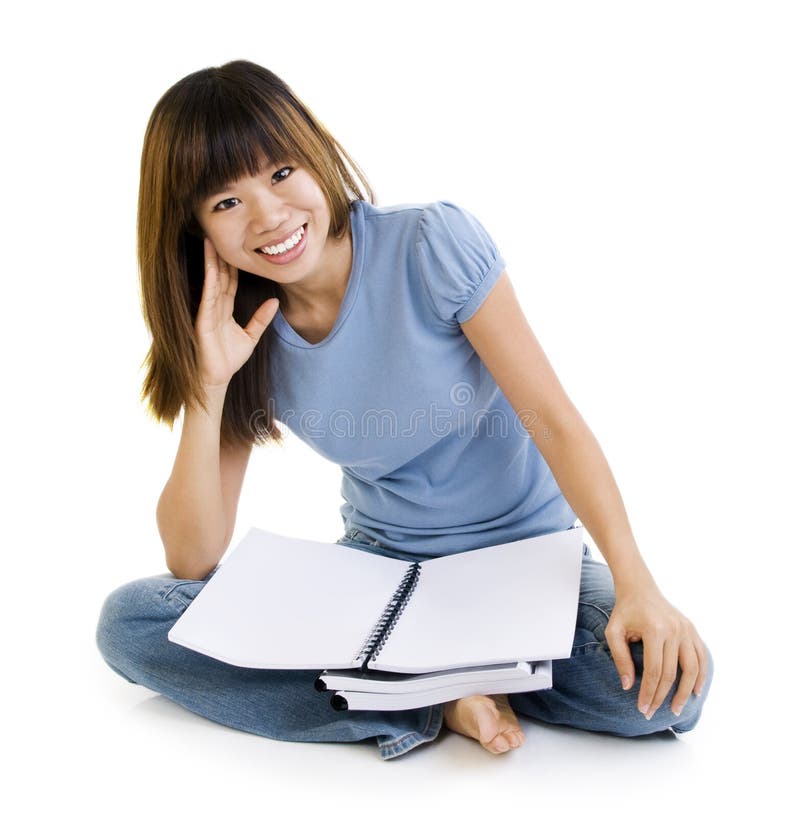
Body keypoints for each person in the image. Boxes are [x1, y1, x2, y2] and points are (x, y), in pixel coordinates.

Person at [96, 59, 713, 760]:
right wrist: (206, 391)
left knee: (672, 691)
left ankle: (409, 681)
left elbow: (555, 420)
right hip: (382, 576)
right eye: (226, 203)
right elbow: (192, 556)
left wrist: (636, 582)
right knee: (134, 622)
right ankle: (439, 695)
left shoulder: (429, 243)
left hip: (524, 562)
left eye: (278, 173)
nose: (270, 217)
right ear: (195, 228)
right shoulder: (240, 333)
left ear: (314, 153)